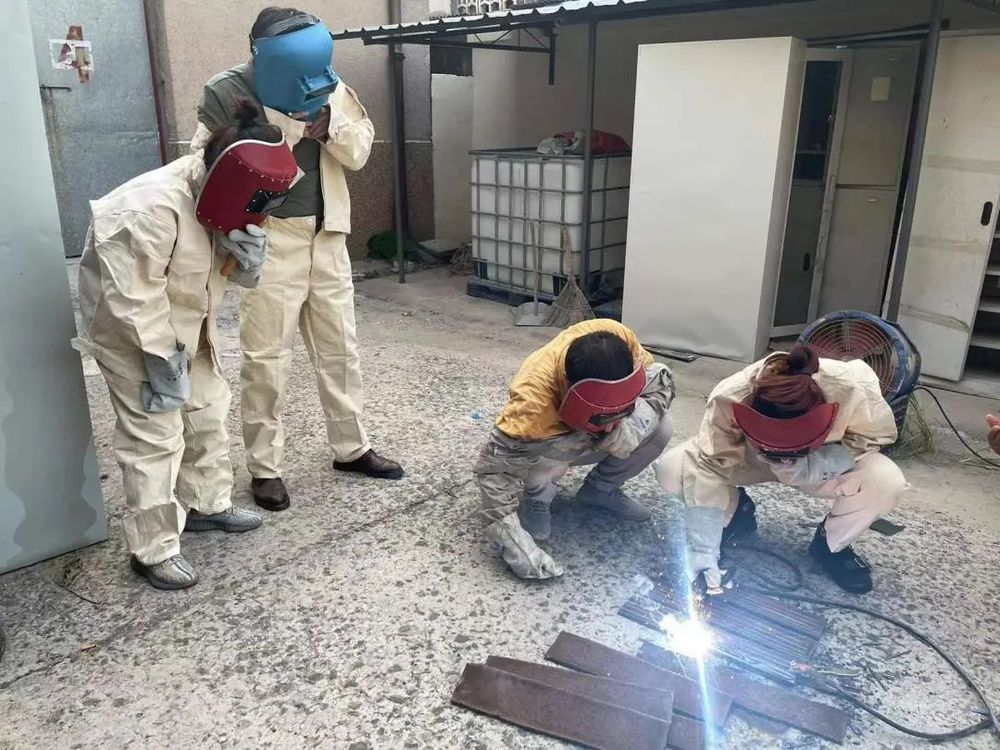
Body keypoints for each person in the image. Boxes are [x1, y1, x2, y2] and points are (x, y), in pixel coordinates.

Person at [74, 102, 299, 589]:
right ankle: (152, 549)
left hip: (190, 319)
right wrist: (161, 362)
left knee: (207, 408)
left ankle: (204, 504)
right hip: (132, 335)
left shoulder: (229, 193)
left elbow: (216, 271)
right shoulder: (144, 210)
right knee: (155, 435)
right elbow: (132, 302)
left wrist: (250, 263)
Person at [192, 6, 403, 514]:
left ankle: (351, 448)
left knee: (340, 349)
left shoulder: (326, 81)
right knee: (266, 358)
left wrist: (330, 126)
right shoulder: (225, 91)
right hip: (270, 237)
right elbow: (204, 166)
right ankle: (265, 468)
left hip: (328, 232)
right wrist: (288, 127)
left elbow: (360, 152)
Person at [656, 345, 906, 595]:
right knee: (673, 471)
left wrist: (814, 464)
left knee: (884, 482)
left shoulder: (853, 387)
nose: (783, 459)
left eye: (790, 452)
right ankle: (735, 513)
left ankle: (830, 546)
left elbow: (870, 439)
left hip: (823, 463)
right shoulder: (731, 396)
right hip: (750, 458)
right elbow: (710, 463)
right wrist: (703, 549)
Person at [475, 320, 675, 580]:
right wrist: (515, 545)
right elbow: (495, 474)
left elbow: (655, 381)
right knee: (546, 452)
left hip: (586, 432)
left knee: (663, 428)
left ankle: (600, 489)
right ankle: (538, 497)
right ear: (569, 387)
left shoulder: (618, 337)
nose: (611, 426)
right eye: (602, 417)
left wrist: (629, 424)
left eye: (616, 413)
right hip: (551, 445)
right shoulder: (532, 407)